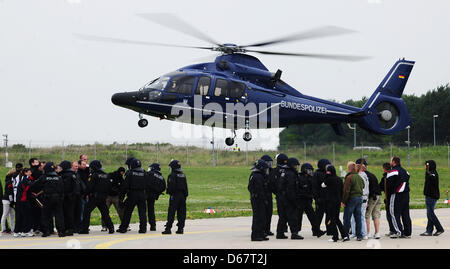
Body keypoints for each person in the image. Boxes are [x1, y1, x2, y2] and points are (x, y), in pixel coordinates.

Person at [79, 160, 114, 234]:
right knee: (105, 213)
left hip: (94, 198)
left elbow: (89, 187)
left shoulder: (94, 175)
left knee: (86, 212)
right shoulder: (106, 175)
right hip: (103, 198)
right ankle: (111, 228)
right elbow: (109, 187)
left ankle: (85, 229)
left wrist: (85, 195)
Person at [32, 162, 65, 237]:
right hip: (57, 198)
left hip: (47, 198)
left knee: (46, 215)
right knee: (59, 215)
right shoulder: (59, 177)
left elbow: (35, 185)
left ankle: (46, 231)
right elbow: (62, 189)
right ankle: (61, 231)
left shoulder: (44, 177)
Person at [118, 159, 148, 234]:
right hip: (142, 194)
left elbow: (125, 186)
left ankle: (123, 228)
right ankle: (143, 229)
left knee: (128, 212)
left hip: (132, 194)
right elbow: (148, 185)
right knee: (142, 213)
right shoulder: (144, 173)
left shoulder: (130, 173)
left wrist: (121, 197)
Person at [297, 163, 325, 238]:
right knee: (298, 217)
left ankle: (317, 230)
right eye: (308, 171)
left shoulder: (310, 178)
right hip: (301, 200)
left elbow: (313, 189)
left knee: (313, 216)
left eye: (311, 171)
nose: (310, 172)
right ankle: (295, 232)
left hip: (307, 200)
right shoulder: (299, 178)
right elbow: (299, 189)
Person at [387, 156, 412, 238]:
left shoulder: (393, 171)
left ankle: (398, 231)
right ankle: (407, 232)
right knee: (405, 214)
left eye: (391, 161)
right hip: (406, 194)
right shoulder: (406, 171)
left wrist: (388, 195)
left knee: (394, 213)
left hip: (397, 194)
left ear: (394, 162)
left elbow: (389, 185)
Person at [162, 160, 188, 235]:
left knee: (171, 212)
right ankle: (180, 229)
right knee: (182, 213)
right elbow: (186, 187)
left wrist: (169, 193)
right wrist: (185, 196)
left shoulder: (172, 175)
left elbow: (171, 187)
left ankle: (168, 228)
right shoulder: (183, 175)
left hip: (175, 195)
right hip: (182, 196)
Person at [323, 165, 348, 242]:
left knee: (332, 219)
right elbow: (342, 190)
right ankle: (344, 235)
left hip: (330, 201)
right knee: (337, 219)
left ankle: (335, 237)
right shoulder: (339, 179)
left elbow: (323, 185)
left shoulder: (328, 179)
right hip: (338, 201)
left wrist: (326, 175)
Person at [420, 160, 444, 236]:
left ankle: (439, 228)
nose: (425, 167)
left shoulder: (433, 173)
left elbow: (432, 177)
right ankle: (429, 230)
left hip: (432, 196)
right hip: (429, 195)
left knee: (430, 213)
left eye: (426, 165)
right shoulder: (428, 173)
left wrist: (428, 172)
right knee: (430, 213)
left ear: (430, 166)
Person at [342, 161, 364, 241]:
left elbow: (346, 190)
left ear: (349, 168)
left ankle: (346, 235)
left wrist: (343, 201)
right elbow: (363, 185)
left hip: (351, 199)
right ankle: (359, 236)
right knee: (358, 218)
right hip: (359, 198)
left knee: (347, 218)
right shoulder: (359, 177)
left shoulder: (349, 177)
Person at [248, 159, 270, 241]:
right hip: (258, 200)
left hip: (257, 198)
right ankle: (255, 235)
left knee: (262, 217)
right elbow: (259, 190)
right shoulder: (258, 176)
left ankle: (261, 233)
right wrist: (262, 199)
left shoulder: (254, 175)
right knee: (258, 217)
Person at [270, 153, 289, 239]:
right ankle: (280, 232)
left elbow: (272, 185)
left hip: (280, 195)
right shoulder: (283, 171)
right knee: (283, 215)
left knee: (283, 215)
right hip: (282, 196)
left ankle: (281, 231)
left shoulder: (274, 171)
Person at [284, 157, 303, 240]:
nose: (296, 167)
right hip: (291, 199)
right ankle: (294, 233)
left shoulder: (289, 173)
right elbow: (291, 188)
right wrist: (294, 200)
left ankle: (294, 232)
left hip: (288, 198)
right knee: (293, 217)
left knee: (291, 216)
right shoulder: (291, 174)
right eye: (295, 165)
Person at [363, 160, 383, 239]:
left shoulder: (364, 176)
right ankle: (377, 233)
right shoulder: (372, 175)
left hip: (372, 197)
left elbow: (366, 189)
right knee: (376, 215)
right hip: (379, 196)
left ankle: (367, 233)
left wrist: (367, 201)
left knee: (367, 215)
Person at [350, 159, 369, 239]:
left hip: (360, 197)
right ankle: (358, 233)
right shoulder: (364, 175)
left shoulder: (360, 175)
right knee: (359, 217)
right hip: (364, 197)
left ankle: (361, 233)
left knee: (358, 217)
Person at [102, 167, 125, 232]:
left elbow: (122, 188)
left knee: (120, 211)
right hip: (109, 196)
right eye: (122, 172)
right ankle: (104, 226)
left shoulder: (120, 178)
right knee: (105, 210)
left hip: (114, 196)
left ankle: (124, 224)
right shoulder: (111, 175)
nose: (122, 174)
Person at [13, 168, 34, 237]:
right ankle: (24, 231)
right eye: (29, 171)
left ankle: (18, 231)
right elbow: (27, 189)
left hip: (21, 200)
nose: (30, 172)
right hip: (23, 201)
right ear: (25, 173)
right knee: (24, 216)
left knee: (20, 216)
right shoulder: (25, 180)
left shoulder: (24, 179)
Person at [312, 159, 331, 234]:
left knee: (329, 215)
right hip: (320, 198)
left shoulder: (328, 173)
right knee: (318, 216)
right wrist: (316, 198)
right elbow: (314, 187)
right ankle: (315, 230)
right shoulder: (317, 174)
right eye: (327, 165)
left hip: (328, 198)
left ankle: (329, 229)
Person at [147, 163, 166, 231]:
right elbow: (164, 187)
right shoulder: (161, 177)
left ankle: (143, 226)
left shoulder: (150, 174)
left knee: (142, 210)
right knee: (151, 210)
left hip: (146, 194)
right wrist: (157, 192)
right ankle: (153, 225)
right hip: (153, 196)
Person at [60, 160, 77, 236]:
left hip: (67, 197)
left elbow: (66, 187)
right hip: (71, 197)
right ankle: (69, 228)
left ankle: (69, 229)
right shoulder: (73, 174)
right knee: (69, 213)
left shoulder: (66, 175)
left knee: (67, 213)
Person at [379, 162, 395, 236]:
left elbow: (380, 187)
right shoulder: (394, 176)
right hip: (396, 197)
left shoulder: (385, 177)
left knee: (389, 215)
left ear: (384, 169)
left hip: (388, 198)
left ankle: (392, 230)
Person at [260, 155, 274, 236]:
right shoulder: (260, 172)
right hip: (263, 195)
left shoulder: (271, 171)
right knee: (262, 213)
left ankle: (267, 229)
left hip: (269, 195)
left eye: (270, 163)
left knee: (269, 212)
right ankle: (262, 229)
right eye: (268, 163)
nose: (269, 165)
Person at [71, 161, 85, 233]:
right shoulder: (70, 174)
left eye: (77, 166)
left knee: (78, 212)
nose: (77, 167)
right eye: (75, 166)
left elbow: (81, 184)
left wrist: (84, 191)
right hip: (72, 196)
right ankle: (73, 227)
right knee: (72, 212)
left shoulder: (77, 174)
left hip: (78, 195)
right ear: (71, 167)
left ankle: (78, 227)